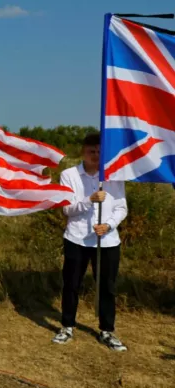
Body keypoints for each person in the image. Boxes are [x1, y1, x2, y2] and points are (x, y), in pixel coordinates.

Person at [53, 133, 127, 351]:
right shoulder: (69, 175)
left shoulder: (114, 177)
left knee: (106, 287)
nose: (95, 155)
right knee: (71, 285)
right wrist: (89, 200)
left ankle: (107, 330)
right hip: (77, 238)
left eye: (98, 151)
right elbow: (67, 209)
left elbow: (122, 208)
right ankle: (67, 326)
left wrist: (109, 225)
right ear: (82, 152)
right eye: (90, 151)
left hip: (107, 241)